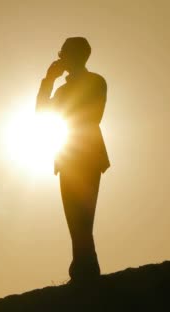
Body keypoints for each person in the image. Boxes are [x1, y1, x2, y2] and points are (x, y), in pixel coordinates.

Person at [36, 37, 110, 283]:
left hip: (86, 154)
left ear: (76, 56)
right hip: (68, 154)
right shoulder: (62, 89)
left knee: (83, 216)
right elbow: (41, 114)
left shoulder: (96, 81)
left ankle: (84, 272)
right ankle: (83, 269)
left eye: (64, 54)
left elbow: (92, 114)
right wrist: (48, 81)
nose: (61, 59)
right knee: (74, 217)